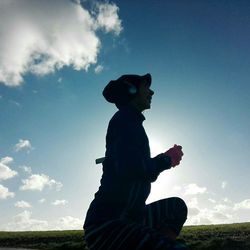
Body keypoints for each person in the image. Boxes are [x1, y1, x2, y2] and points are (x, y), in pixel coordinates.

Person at [83, 73, 188, 250]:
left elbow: (135, 165)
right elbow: (132, 168)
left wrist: (165, 159)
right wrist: (166, 159)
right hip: (108, 225)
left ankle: (156, 243)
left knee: (176, 207)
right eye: (146, 87)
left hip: (132, 219)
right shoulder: (124, 120)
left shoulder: (131, 122)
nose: (152, 92)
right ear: (131, 91)